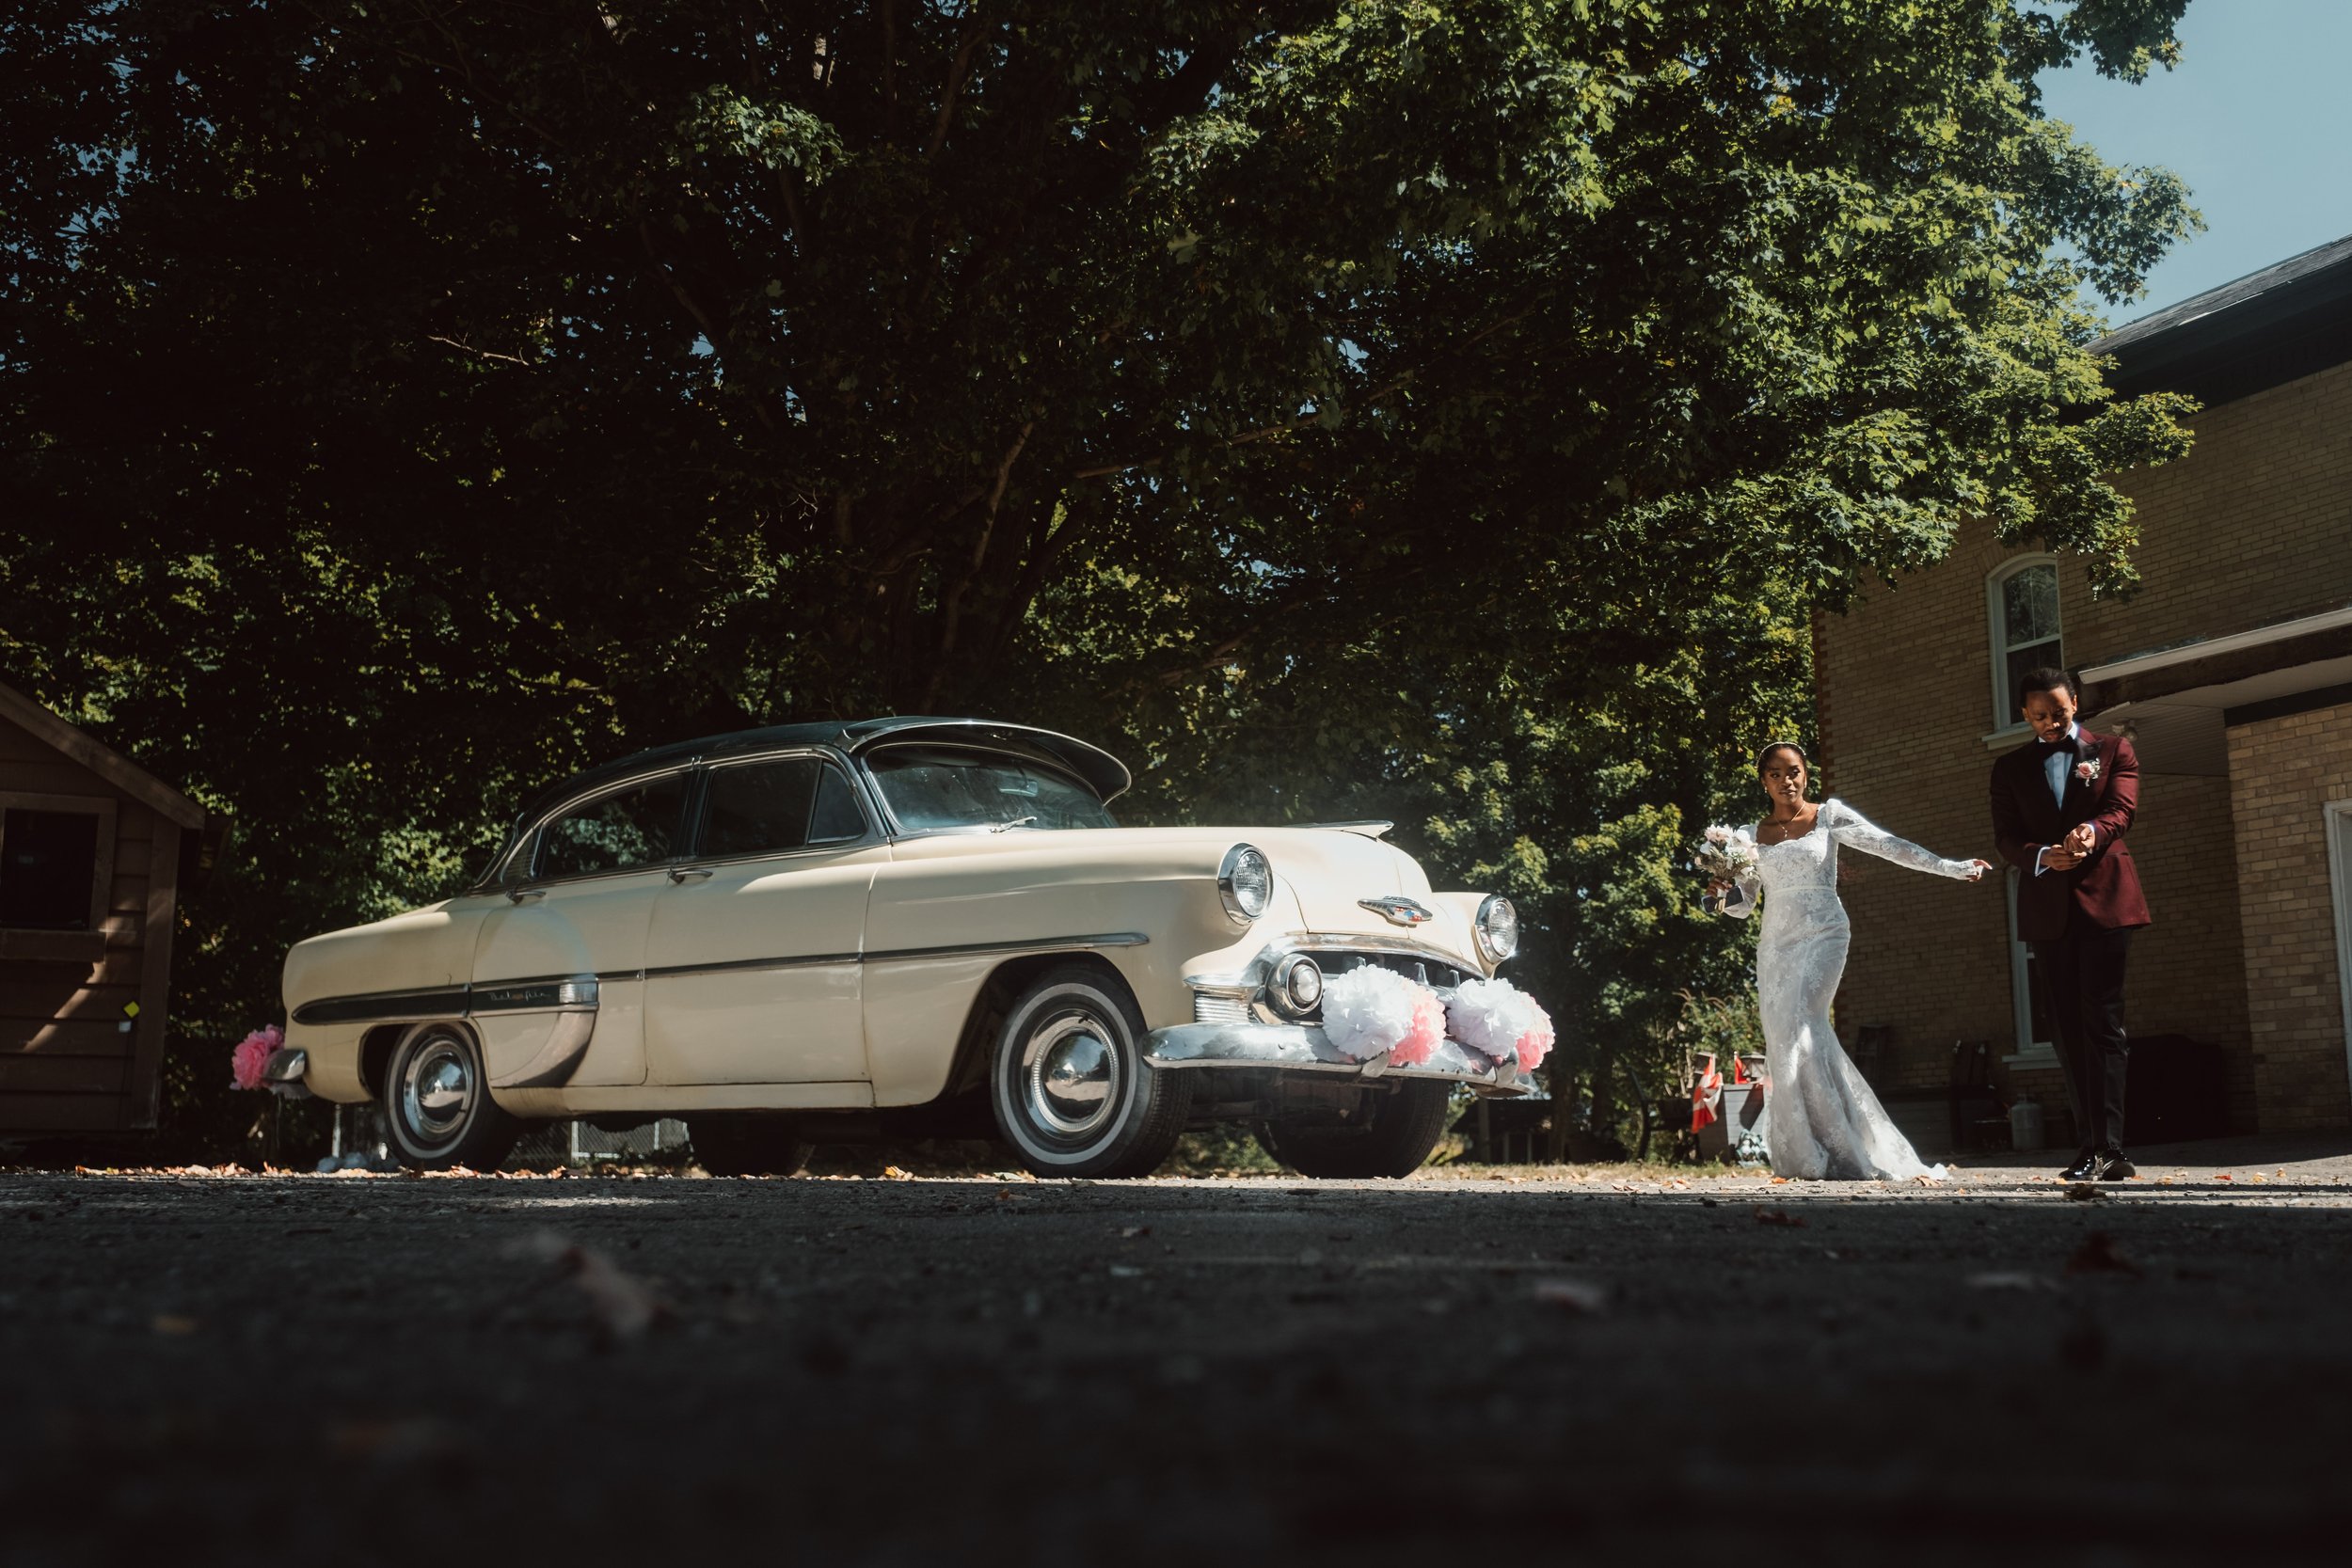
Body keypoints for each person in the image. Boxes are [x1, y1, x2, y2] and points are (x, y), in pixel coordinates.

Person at [1712, 743, 1992, 1180]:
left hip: (1824, 932)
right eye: (1776, 774)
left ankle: (1845, 1146)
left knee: (1804, 1021)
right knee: (1785, 1036)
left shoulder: (1828, 816)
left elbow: (1888, 845)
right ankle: (1809, 1148)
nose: (1787, 781)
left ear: (1806, 774)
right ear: (1763, 780)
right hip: (1776, 944)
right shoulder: (1749, 837)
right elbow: (1744, 903)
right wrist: (1716, 895)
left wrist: (1949, 867)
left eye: (1795, 771)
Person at [1989, 666, 2150, 1181]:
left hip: (2106, 902)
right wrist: (2040, 857)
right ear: (2024, 715)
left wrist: (2091, 831)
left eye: (2058, 713)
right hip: (2048, 911)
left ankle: (2111, 1148)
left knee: (2103, 1022)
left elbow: (2121, 810)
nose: (2051, 724)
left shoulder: (2113, 750)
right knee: (2065, 1030)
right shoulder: (2009, 769)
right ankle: (2089, 1145)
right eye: (2039, 717)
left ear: (2075, 704)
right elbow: (2006, 838)